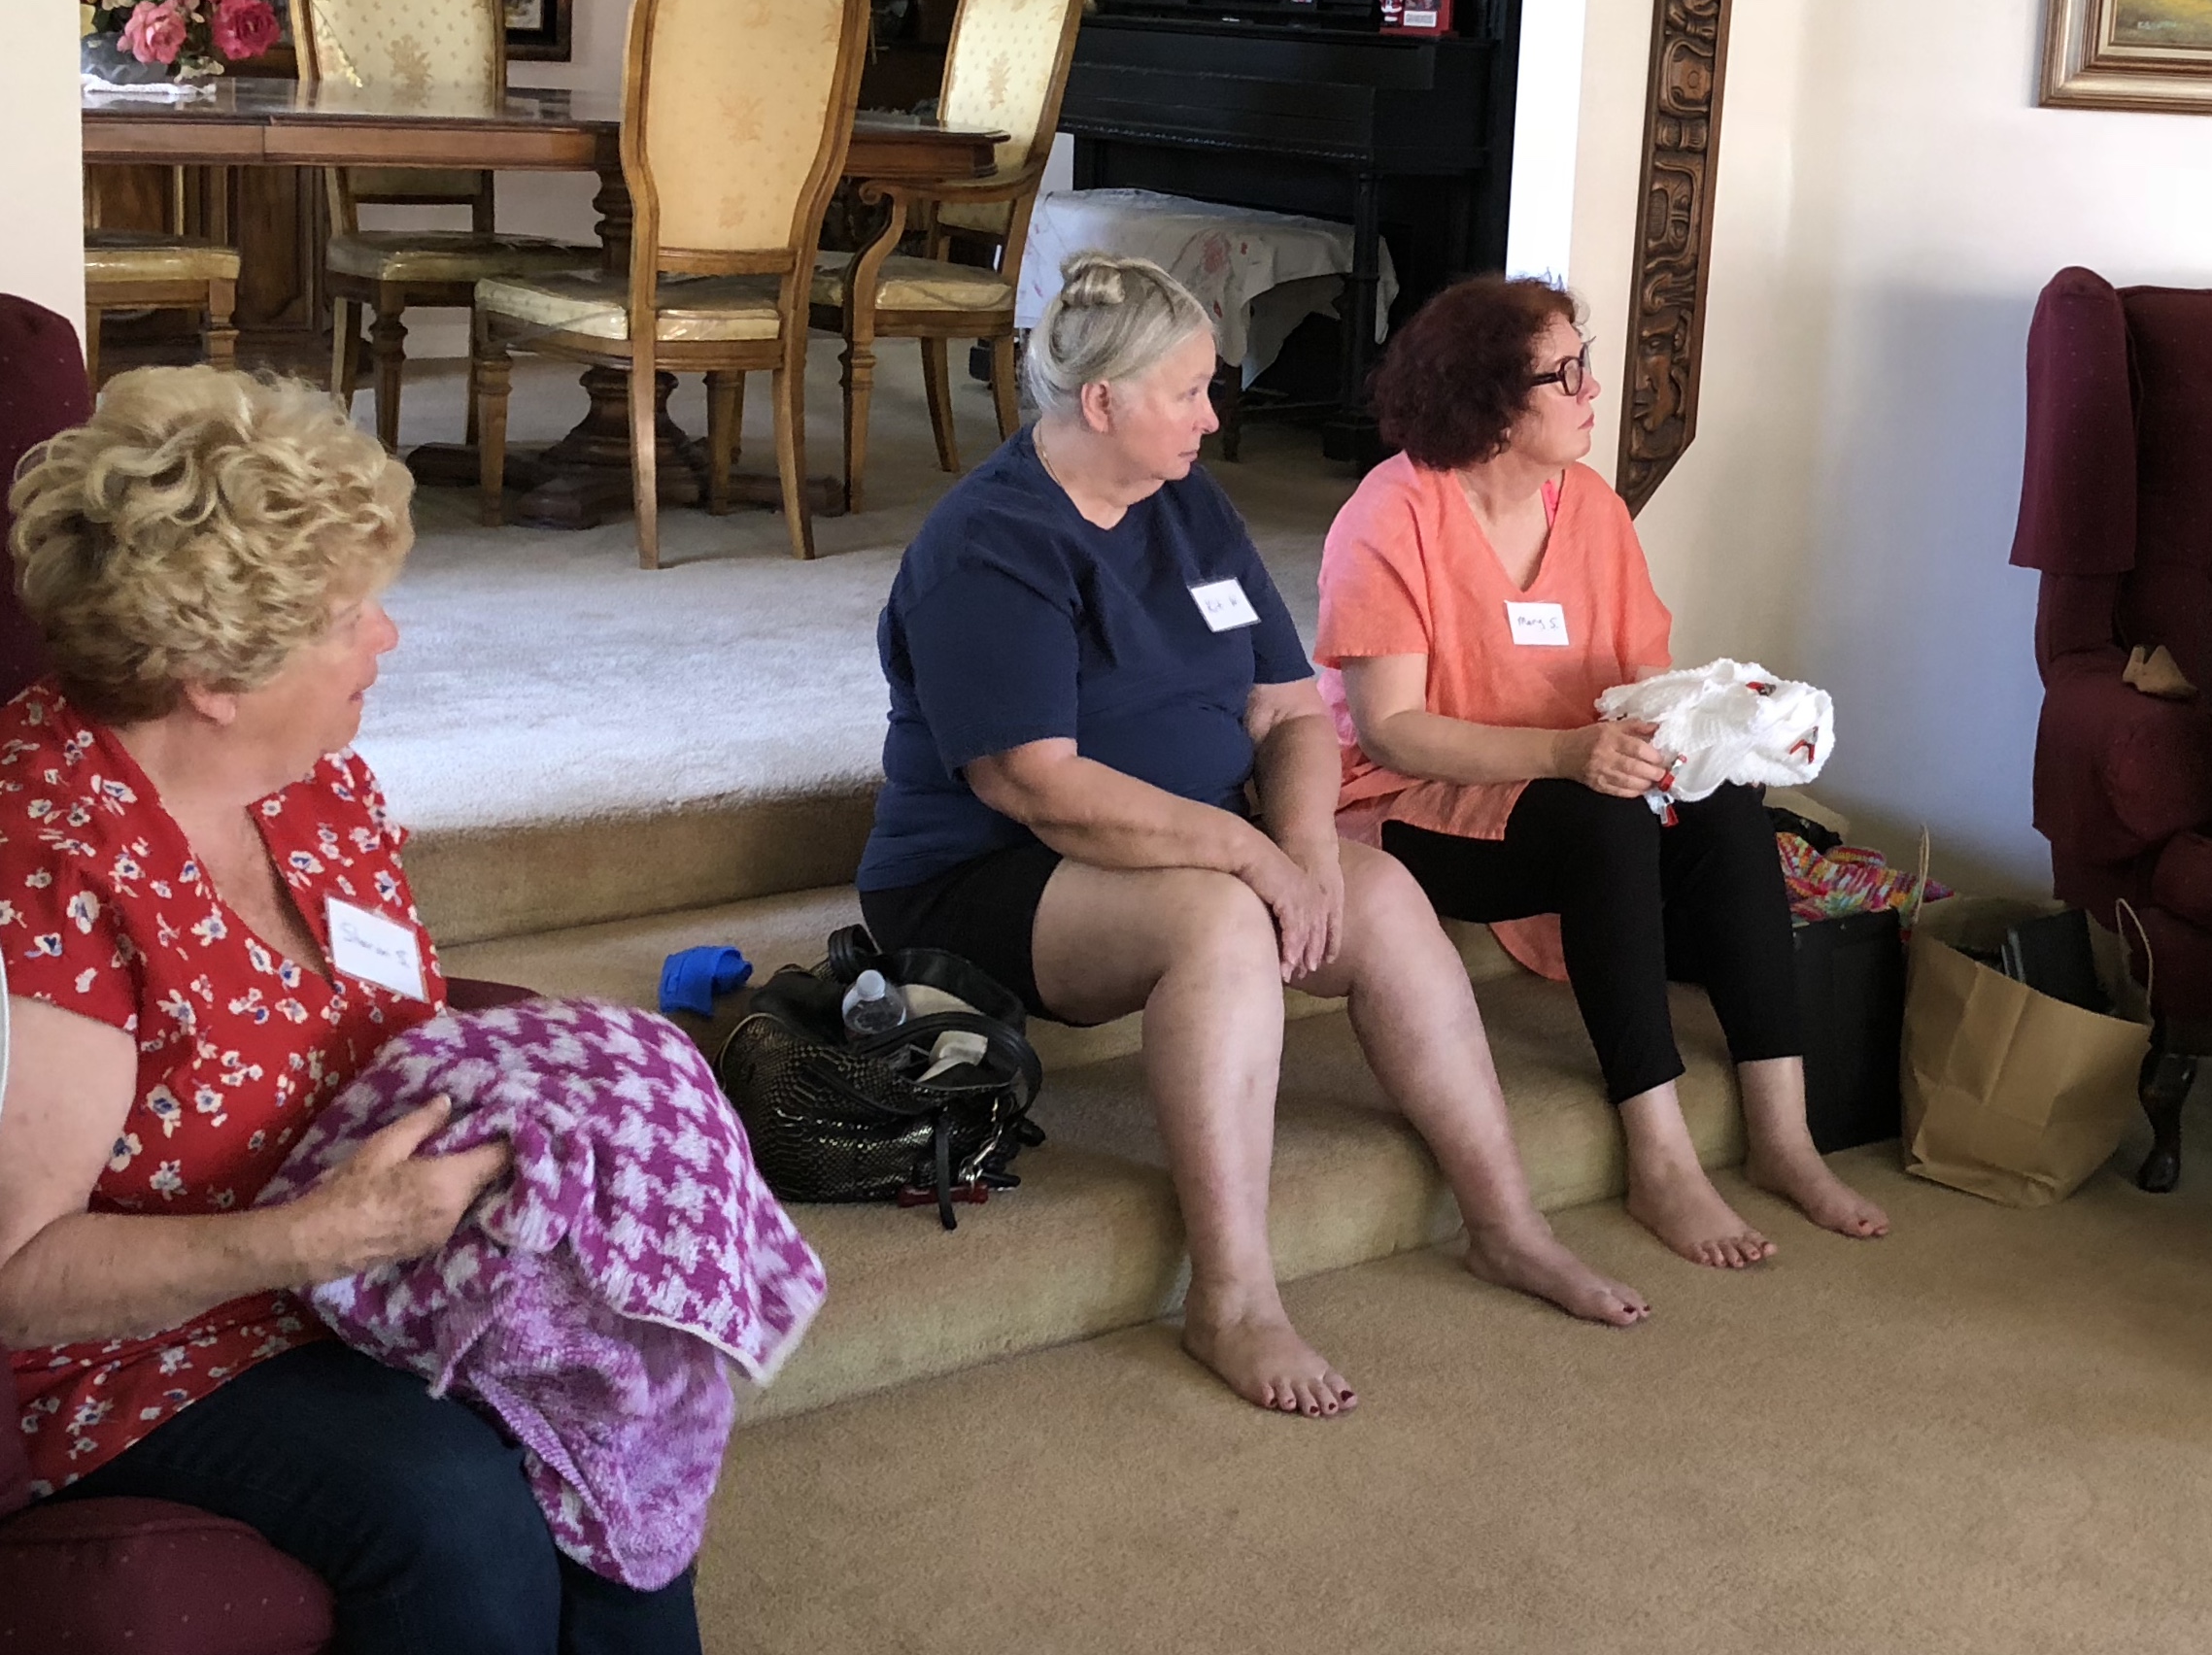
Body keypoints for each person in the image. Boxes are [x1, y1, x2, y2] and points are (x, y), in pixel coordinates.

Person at [855, 253, 1648, 1420]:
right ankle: (1231, 1298)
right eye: (1189, 393)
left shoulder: (1186, 502)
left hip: (1191, 839)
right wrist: (1250, 854)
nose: (1214, 417)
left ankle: (1507, 1224)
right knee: (1221, 918)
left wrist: (1310, 845)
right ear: (1103, 402)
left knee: (1383, 897)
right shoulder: (992, 542)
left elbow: (1289, 712)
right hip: (986, 876)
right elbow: (1038, 785)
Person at [0, 369, 702, 1651]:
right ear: (213, 673)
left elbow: (392, 1026)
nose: (387, 637)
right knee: (452, 1504)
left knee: (615, 1404)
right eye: (346, 617)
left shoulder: (311, 781)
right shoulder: (48, 863)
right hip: (146, 1343)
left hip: (376, 1274)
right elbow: (18, 1277)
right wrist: (315, 1239)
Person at [1312, 275, 1889, 1270]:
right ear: (1493, 401)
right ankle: (1659, 1154)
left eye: (1587, 364)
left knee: (1726, 803)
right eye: (1565, 373)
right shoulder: (1392, 513)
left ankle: (1783, 1133)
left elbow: (1638, 684)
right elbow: (1392, 730)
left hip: (1572, 775)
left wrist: (1721, 726)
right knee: (1606, 820)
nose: (1592, 390)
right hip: (1410, 798)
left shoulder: (1589, 505)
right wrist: (1565, 755)